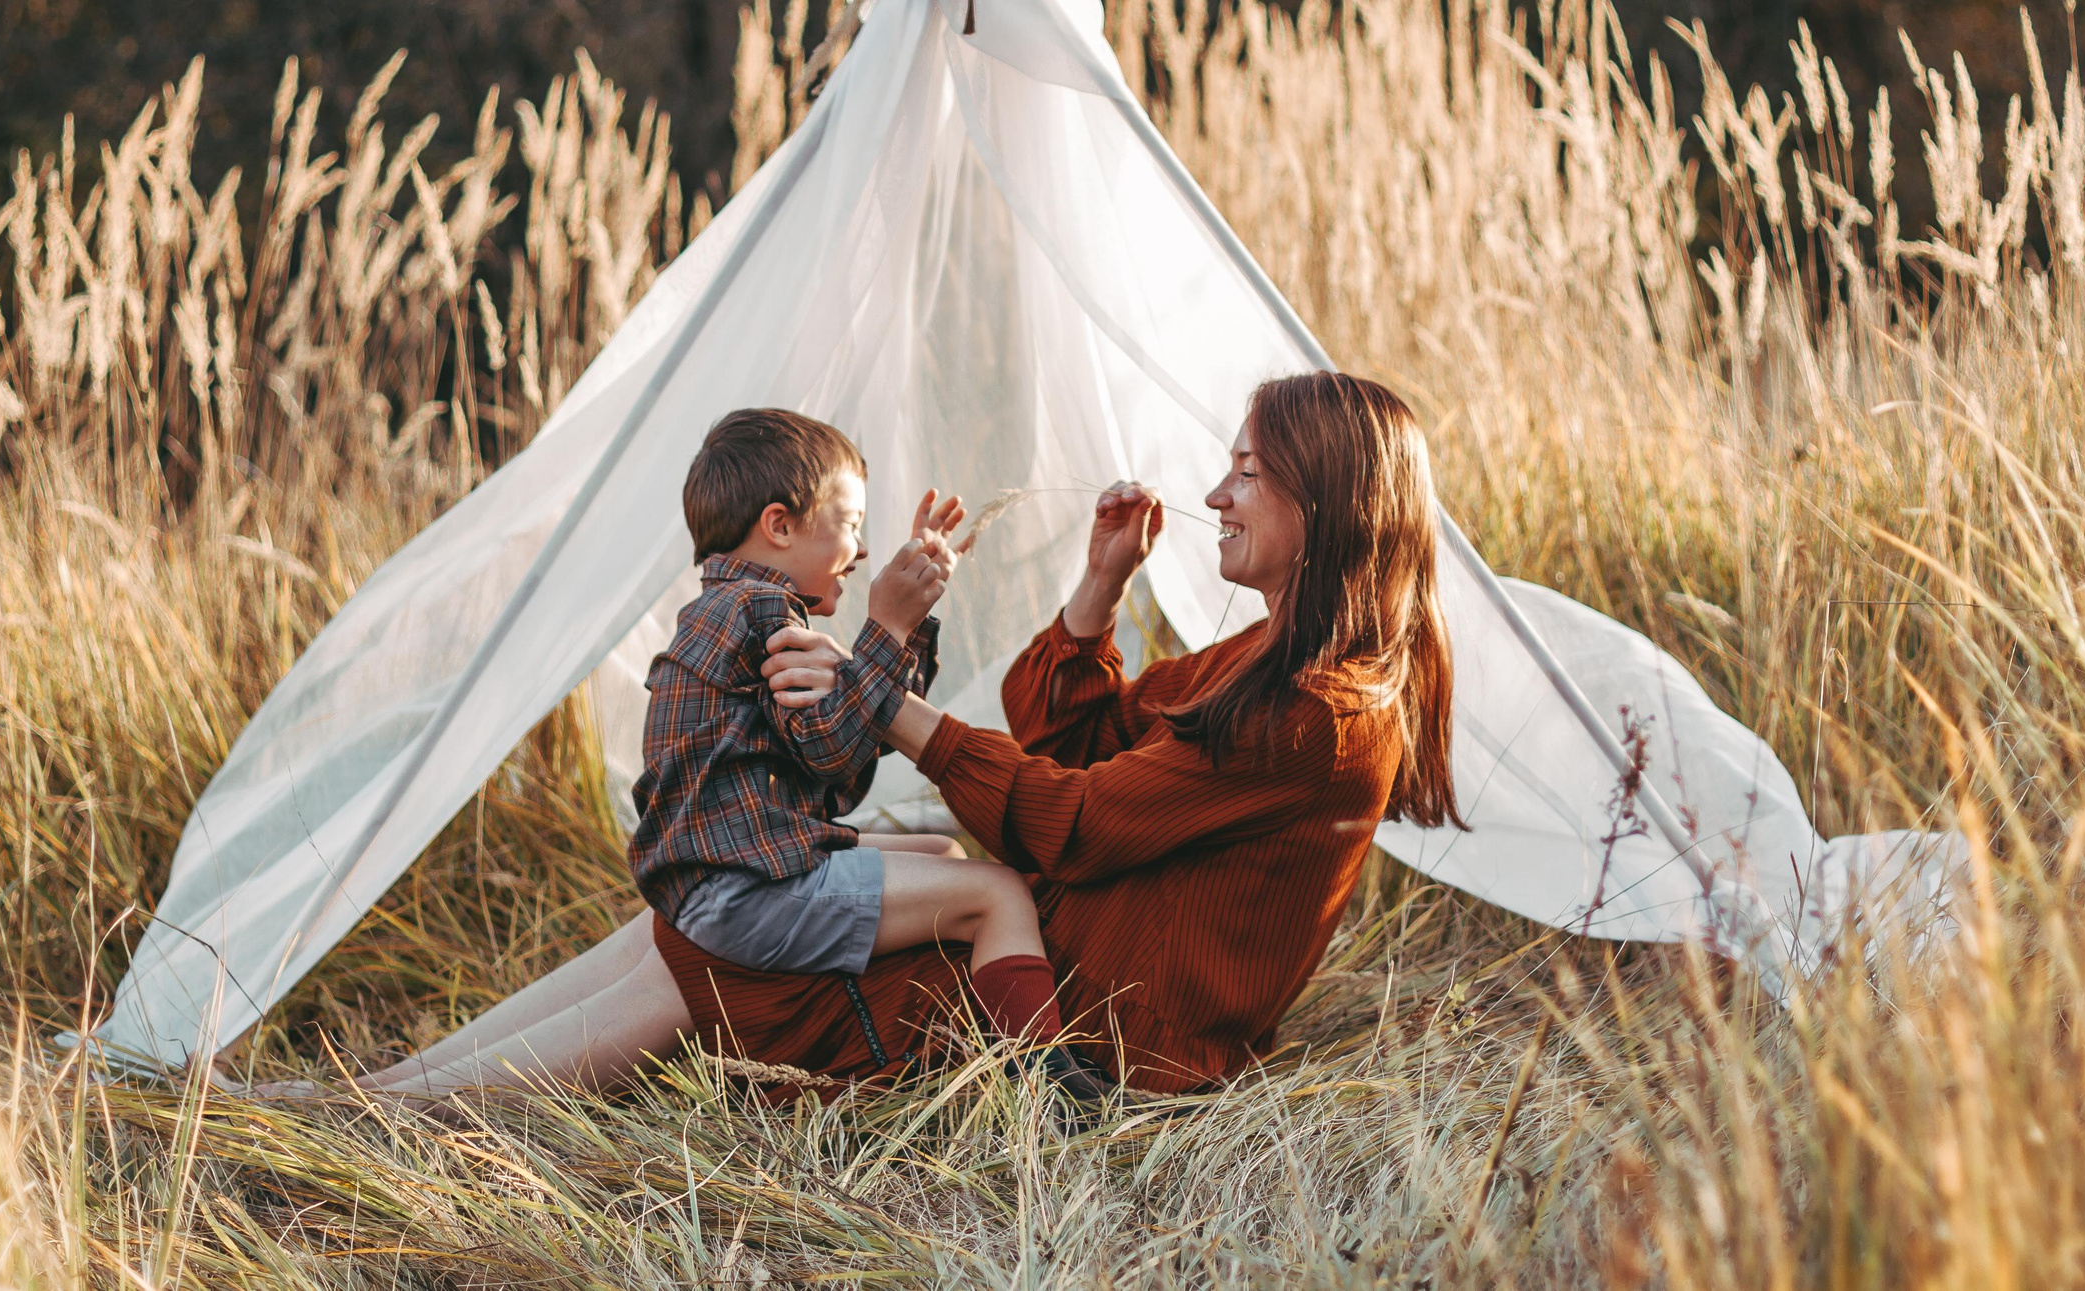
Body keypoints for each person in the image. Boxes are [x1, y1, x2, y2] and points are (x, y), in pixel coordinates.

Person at [348, 371, 1458, 1100]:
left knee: (711, 946)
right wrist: (1095, 591)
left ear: (1332, 501)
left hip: (1104, 1030)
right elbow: (1073, 737)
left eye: (1250, 474)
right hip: (1055, 960)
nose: (1217, 493)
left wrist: (884, 699)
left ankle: (406, 1113)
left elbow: (1072, 823)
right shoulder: (1261, 663)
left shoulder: (1316, 711)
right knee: (694, 913)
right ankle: (398, 1088)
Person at [353, 408, 1087, 1096]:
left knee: (939, 853)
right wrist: (888, 627)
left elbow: (838, 753)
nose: (860, 551)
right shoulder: (769, 614)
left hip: (718, 876)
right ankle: (1049, 1091)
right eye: (850, 524)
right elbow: (836, 755)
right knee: (999, 892)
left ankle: (924, 1034)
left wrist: (906, 630)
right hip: (750, 891)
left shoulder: (724, 605)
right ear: (778, 525)